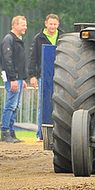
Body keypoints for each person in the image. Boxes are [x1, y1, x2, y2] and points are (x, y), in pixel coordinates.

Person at [28, 13, 62, 142]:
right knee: (43, 105)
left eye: (55, 24)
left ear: (58, 25)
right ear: (46, 24)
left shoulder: (63, 37)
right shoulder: (38, 38)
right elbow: (33, 58)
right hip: (44, 76)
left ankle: (58, 135)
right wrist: (32, 76)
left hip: (60, 76)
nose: (52, 26)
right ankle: (41, 134)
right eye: (50, 24)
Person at [0, 15, 28, 143]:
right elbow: (7, 60)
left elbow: (19, 61)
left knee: (15, 106)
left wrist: (22, 79)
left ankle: (11, 133)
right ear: (15, 25)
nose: (25, 27)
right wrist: (13, 79)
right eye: (23, 25)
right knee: (10, 105)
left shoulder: (17, 40)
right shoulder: (9, 39)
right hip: (13, 78)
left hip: (18, 78)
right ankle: (5, 133)